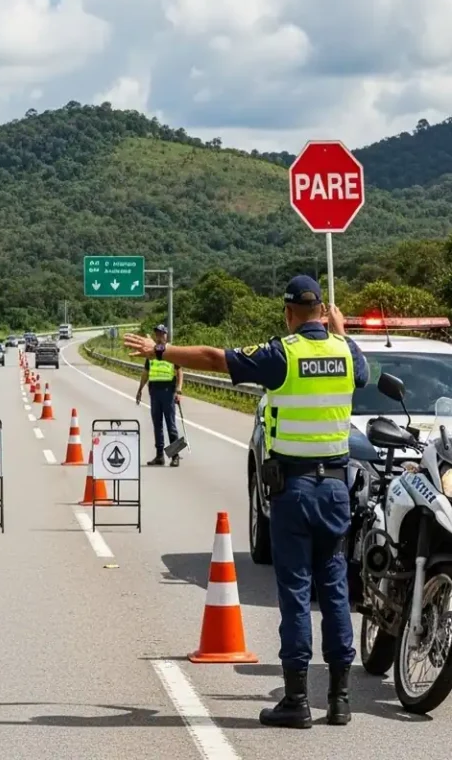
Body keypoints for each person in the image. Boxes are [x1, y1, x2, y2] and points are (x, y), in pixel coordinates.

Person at [124, 276, 369, 728]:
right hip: (336, 489)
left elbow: (215, 358)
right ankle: (339, 700)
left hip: (294, 490)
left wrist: (161, 351)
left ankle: (297, 700)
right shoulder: (346, 353)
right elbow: (362, 372)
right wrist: (341, 331)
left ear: (288, 312)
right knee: (335, 591)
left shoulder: (283, 354)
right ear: (323, 312)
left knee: (296, 592)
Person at [135, 324, 184, 467]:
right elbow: (145, 373)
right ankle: (159, 456)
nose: (159, 336)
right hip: (155, 391)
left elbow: (180, 372)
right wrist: (140, 389)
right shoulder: (152, 353)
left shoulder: (171, 352)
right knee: (157, 425)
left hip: (168, 391)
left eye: (162, 334)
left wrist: (179, 390)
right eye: (157, 334)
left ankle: (175, 456)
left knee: (171, 425)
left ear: (166, 335)